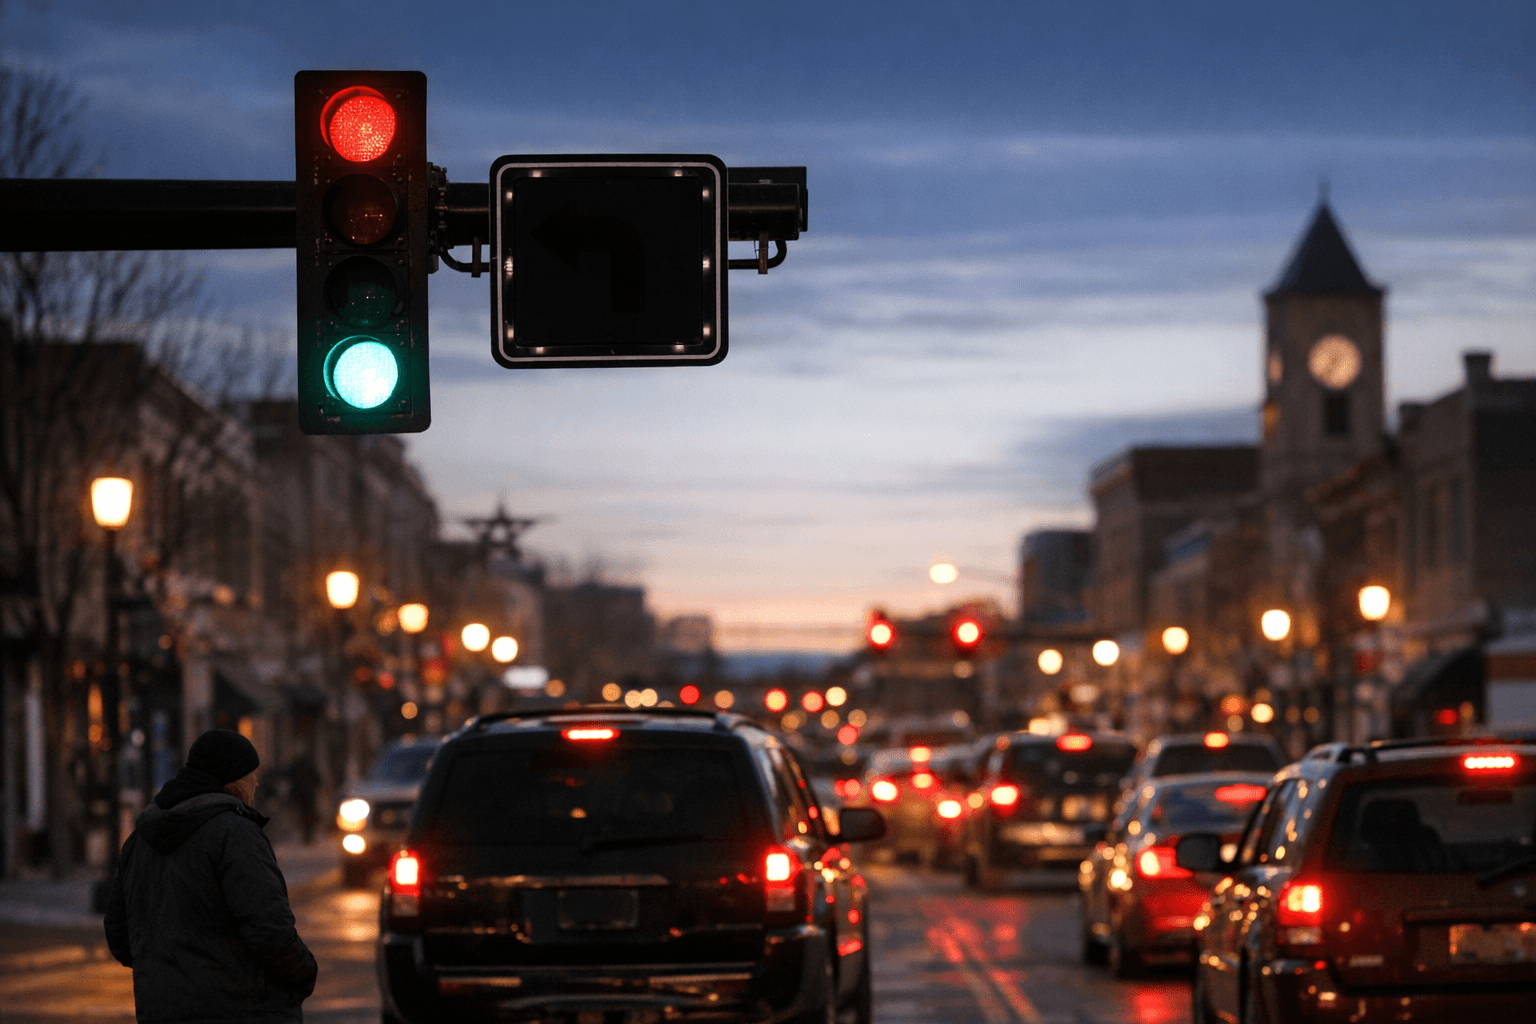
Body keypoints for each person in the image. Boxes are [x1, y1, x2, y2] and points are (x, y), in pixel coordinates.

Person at [105, 729, 318, 1023]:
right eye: (249, 774)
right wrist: (304, 972)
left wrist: (164, 972)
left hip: (160, 1010)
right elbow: (270, 929)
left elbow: (119, 933)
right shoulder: (235, 834)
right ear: (232, 780)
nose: (255, 783)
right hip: (237, 1010)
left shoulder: (139, 840)